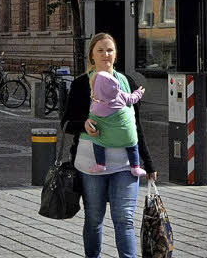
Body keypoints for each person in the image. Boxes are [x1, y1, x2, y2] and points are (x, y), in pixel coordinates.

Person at [61, 33, 156, 258]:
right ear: (92, 56)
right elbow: (66, 123)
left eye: (110, 50)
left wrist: (149, 163)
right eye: (101, 50)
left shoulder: (127, 83)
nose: (106, 54)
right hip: (91, 163)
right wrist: (84, 124)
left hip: (125, 164)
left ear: (116, 54)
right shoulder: (82, 84)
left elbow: (135, 127)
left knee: (124, 218)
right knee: (94, 217)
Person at [88, 69, 146, 175]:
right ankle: (135, 167)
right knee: (133, 145)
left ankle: (100, 164)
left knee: (97, 144)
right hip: (125, 135)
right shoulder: (121, 95)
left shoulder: (96, 106)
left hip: (105, 138)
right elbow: (132, 99)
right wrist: (139, 92)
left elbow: (93, 119)